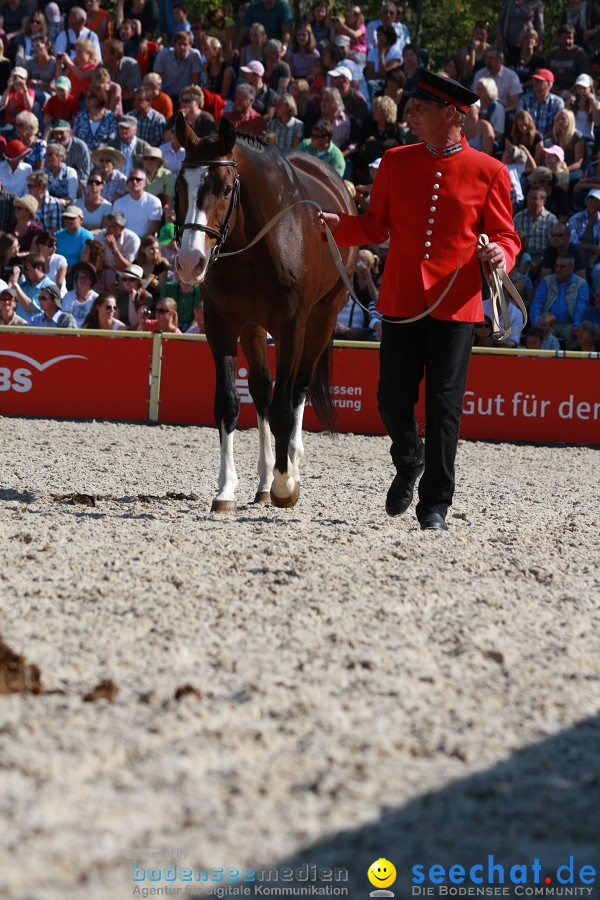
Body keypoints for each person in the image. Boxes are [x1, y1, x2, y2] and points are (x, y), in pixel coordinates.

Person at [315, 68, 519, 531]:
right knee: (391, 400)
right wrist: (335, 222)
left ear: (452, 113)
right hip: (403, 299)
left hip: (457, 304)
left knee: (445, 406)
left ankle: (435, 505)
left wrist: (500, 254)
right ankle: (409, 459)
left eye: (421, 107)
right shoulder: (394, 161)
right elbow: (374, 227)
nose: (410, 113)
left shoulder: (490, 171)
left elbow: (507, 234)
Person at [529, 254, 589, 341]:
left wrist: (576, 325)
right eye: (556, 266)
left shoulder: (581, 284)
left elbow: (581, 308)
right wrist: (536, 323)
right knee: (539, 335)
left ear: (572, 268)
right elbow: (537, 303)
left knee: (575, 337)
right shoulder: (546, 281)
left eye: (562, 267)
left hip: (569, 325)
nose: (558, 269)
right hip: (548, 324)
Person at [513, 186, 558, 273]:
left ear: (543, 201)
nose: (531, 201)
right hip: (522, 257)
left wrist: (541, 260)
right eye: (529, 198)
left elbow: (553, 245)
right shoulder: (518, 218)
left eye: (535, 198)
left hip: (545, 259)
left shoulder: (551, 219)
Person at [152, 31, 202, 103]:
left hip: (185, 97)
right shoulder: (163, 55)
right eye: (179, 44)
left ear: (190, 45)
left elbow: (196, 82)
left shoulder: (194, 55)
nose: (182, 47)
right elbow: (156, 79)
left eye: (185, 44)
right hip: (166, 95)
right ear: (174, 44)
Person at [113, 168, 161, 237]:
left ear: (145, 183)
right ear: (128, 183)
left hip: (146, 242)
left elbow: (153, 229)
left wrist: (141, 244)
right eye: (131, 179)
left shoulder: (154, 202)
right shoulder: (118, 203)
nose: (134, 182)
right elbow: (117, 227)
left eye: (138, 179)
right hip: (125, 241)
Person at [471, 48, 523, 113]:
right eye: (486, 58)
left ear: (500, 60)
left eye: (491, 58)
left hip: (504, 111)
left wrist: (500, 112)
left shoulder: (511, 76)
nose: (488, 60)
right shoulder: (479, 74)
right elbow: (473, 97)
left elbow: (515, 103)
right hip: (480, 111)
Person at [546, 24, 591, 94]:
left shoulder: (580, 54)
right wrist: (551, 86)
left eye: (570, 38)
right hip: (553, 91)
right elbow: (546, 75)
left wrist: (573, 89)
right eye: (564, 38)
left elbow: (585, 76)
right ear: (558, 37)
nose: (567, 41)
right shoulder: (551, 54)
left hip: (574, 92)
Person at [72, 84, 118, 150]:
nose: (87, 99)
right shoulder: (81, 115)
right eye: (86, 96)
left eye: (91, 97)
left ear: (100, 97)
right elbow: (74, 136)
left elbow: (113, 138)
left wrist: (104, 147)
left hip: (104, 155)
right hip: (83, 154)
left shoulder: (110, 116)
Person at [62, 260, 99, 326]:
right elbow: (64, 320)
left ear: (91, 280)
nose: (82, 280)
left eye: (85, 277)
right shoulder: (68, 296)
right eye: (80, 277)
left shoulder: (96, 298)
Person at [115, 262, 152, 326]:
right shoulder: (119, 295)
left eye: (131, 279)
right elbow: (115, 320)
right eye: (124, 279)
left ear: (138, 281)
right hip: (120, 331)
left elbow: (134, 323)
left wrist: (131, 298)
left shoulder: (145, 296)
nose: (127, 282)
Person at [134, 233, 170, 301]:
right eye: (151, 249)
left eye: (157, 248)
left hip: (155, 299)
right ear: (143, 249)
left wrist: (157, 286)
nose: (155, 251)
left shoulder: (161, 265)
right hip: (138, 297)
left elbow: (163, 291)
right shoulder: (136, 264)